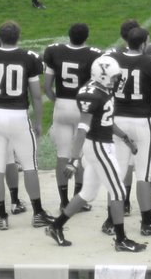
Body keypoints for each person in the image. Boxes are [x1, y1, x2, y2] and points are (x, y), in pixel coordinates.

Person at [45, 55, 146, 251]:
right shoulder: (92, 95)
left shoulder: (101, 89)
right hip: (98, 147)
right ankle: (120, 239)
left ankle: (56, 226)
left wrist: (125, 138)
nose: (117, 81)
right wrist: (73, 160)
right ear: (103, 76)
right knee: (117, 191)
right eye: (114, 77)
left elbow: (107, 121)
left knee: (87, 193)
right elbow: (82, 130)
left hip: (101, 144)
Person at [0, 21, 54, 231]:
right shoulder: (29, 58)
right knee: (29, 165)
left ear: (0, 36)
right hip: (17, 115)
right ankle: (37, 213)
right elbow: (36, 95)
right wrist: (37, 121)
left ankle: (1, 215)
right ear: (18, 36)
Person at [108, 25, 151, 235]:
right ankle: (146, 223)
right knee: (143, 174)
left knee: (117, 174)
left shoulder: (113, 59)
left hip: (117, 121)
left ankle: (111, 221)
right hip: (142, 123)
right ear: (144, 43)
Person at [42, 23, 101, 208]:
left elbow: (47, 85)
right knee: (80, 155)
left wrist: (56, 100)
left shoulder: (55, 51)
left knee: (62, 155)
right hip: (82, 106)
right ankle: (78, 200)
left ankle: (63, 201)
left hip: (62, 105)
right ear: (87, 36)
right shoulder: (94, 54)